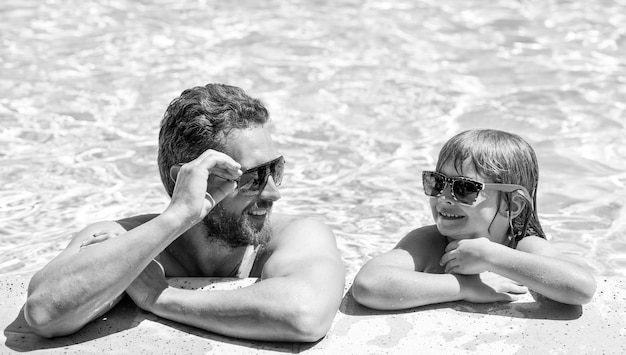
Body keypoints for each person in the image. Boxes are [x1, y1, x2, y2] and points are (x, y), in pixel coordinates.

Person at [24, 83, 345, 341]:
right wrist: (177, 216)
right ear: (187, 181)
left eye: (275, 169)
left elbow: (304, 314)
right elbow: (44, 313)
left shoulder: (295, 236)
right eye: (253, 177)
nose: (274, 192)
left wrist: (158, 297)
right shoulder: (126, 240)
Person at [352, 129, 596, 310]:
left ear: (513, 205)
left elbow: (581, 288)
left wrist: (491, 256)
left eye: (465, 189)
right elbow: (369, 285)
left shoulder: (521, 246)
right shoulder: (428, 243)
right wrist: (466, 287)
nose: (444, 198)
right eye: (437, 183)